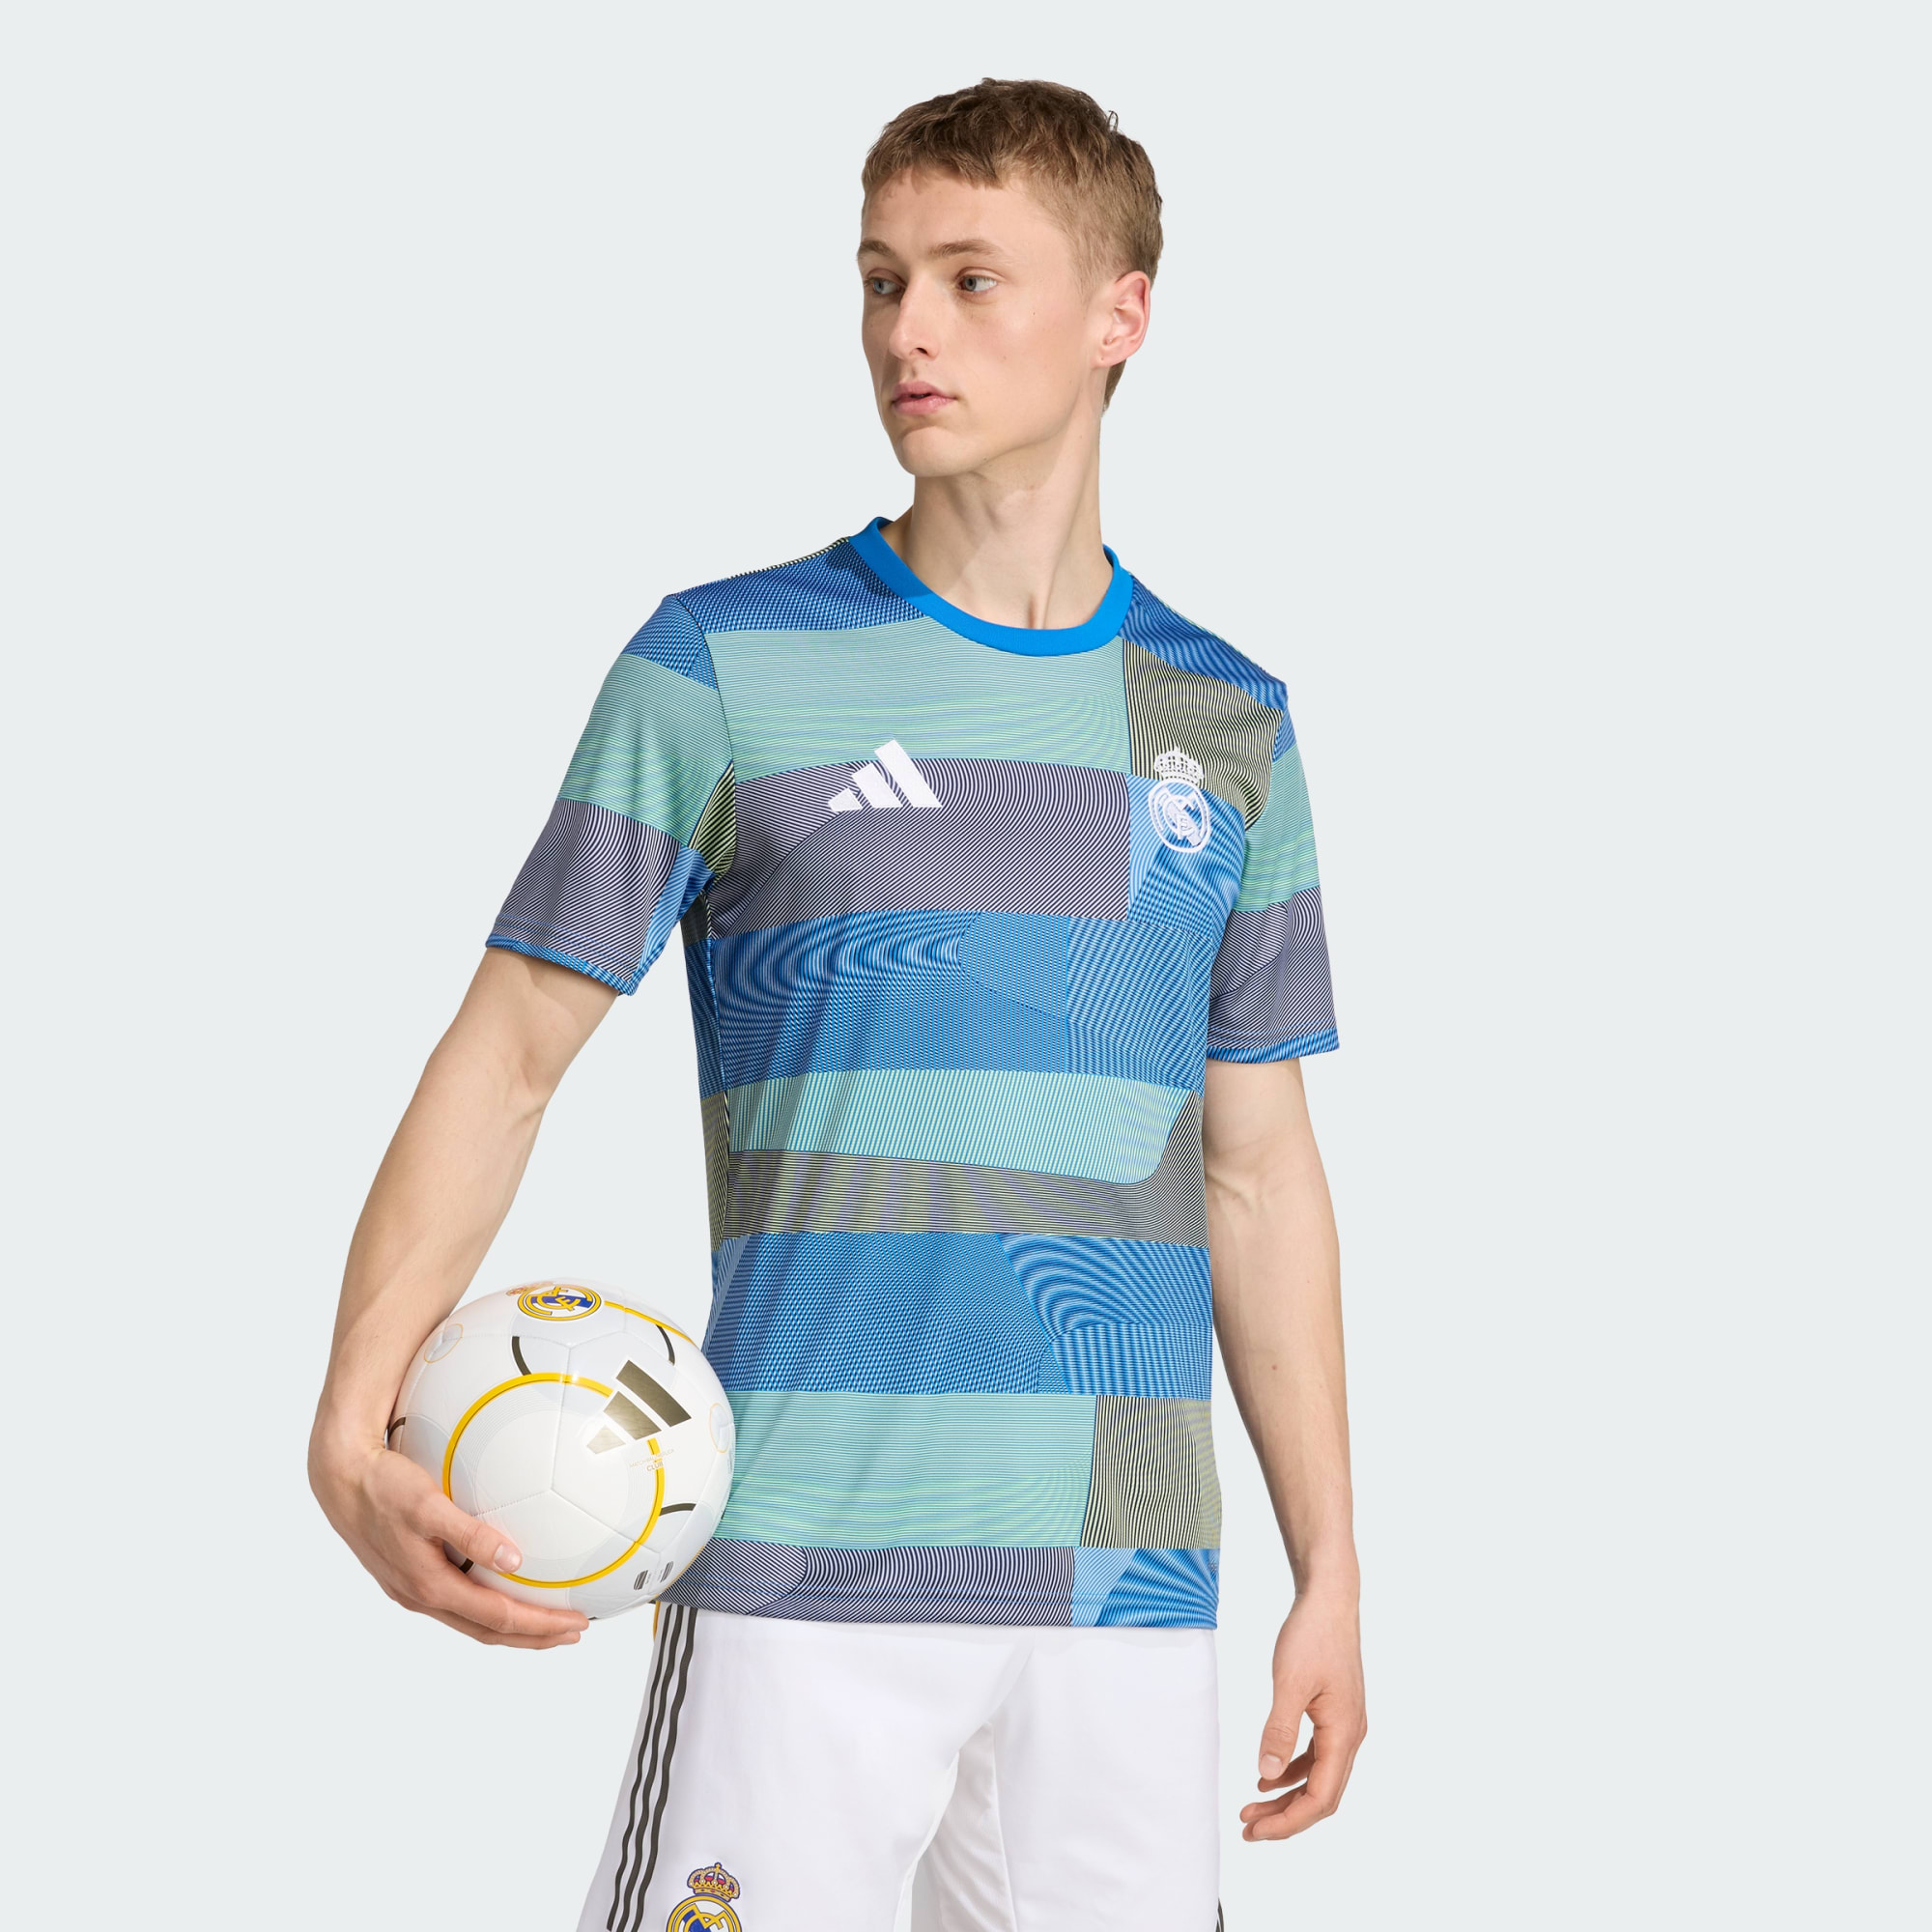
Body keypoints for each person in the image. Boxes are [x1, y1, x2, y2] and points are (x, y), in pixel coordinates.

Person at [308, 75, 1365, 1932]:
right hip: (805, 1554)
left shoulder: (1224, 719)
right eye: (882, 280)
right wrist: (350, 1415)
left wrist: (1329, 1564)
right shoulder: (725, 665)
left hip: (1125, 1585)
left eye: (971, 278)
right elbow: (511, 1052)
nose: (906, 332)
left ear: (1120, 313)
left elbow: (1256, 1170)